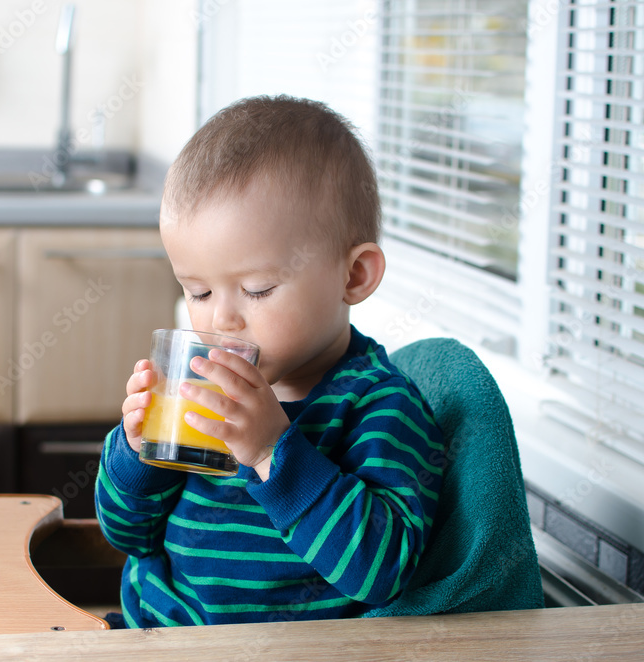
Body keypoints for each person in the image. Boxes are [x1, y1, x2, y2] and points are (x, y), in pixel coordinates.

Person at [94, 95, 445, 628]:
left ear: (353, 276)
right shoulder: (198, 394)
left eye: (257, 289)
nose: (222, 319)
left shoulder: (380, 408)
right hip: (158, 637)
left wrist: (270, 451)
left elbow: (383, 573)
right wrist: (138, 455)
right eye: (198, 291)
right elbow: (130, 536)